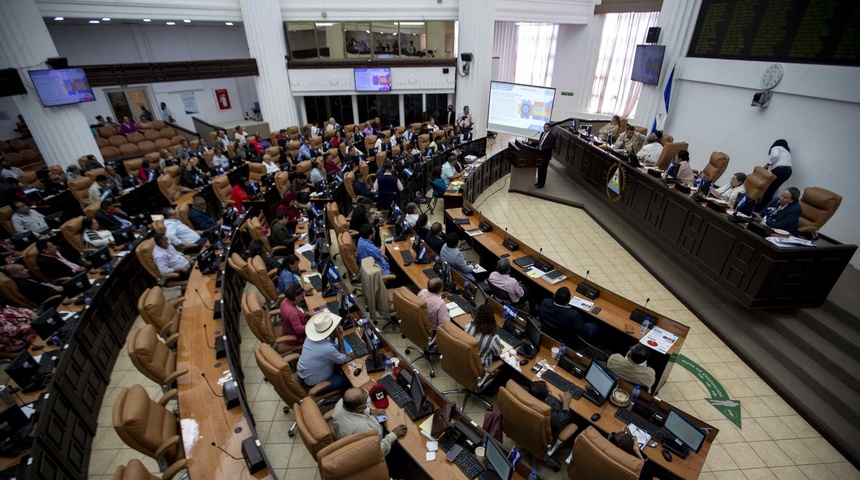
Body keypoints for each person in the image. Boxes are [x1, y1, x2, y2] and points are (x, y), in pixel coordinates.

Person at [332, 387, 407, 456]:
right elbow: (376, 450)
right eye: (366, 399)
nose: (368, 397)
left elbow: (354, 411)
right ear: (360, 408)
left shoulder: (341, 403)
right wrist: (393, 435)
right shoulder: (363, 429)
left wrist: (369, 411)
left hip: (355, 438)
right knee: (402, 445)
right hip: (376, 447)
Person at [296, 312, 350, 395]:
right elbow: (342, 359)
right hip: (315, 384)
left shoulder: (309, 338)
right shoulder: (327, 349)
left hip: (304, 376)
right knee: (348, 378)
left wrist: (332, 336)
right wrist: (340, 338)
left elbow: (327, 344)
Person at [757, 139, 793, 211]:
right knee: (772, 190)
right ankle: (764, 209)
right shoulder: (787, 152)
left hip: (780, 170)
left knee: (768, 190)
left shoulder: (776, 147)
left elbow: (775, 156)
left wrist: (768, 164)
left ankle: (759, 210)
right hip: (788, 172)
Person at [534, 122, 556, 189]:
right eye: (544, 127)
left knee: (543, 170)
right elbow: (540, 142)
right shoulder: (542, 134)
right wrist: (531, 143)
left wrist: (542, 148)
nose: (545, 129)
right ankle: (539, 181)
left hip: (546, 155)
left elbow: (551, 146)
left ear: (549, 128)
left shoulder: (552, 136)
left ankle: (542, 184)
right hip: (540, 154)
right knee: (539, 169)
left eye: (546, 127)